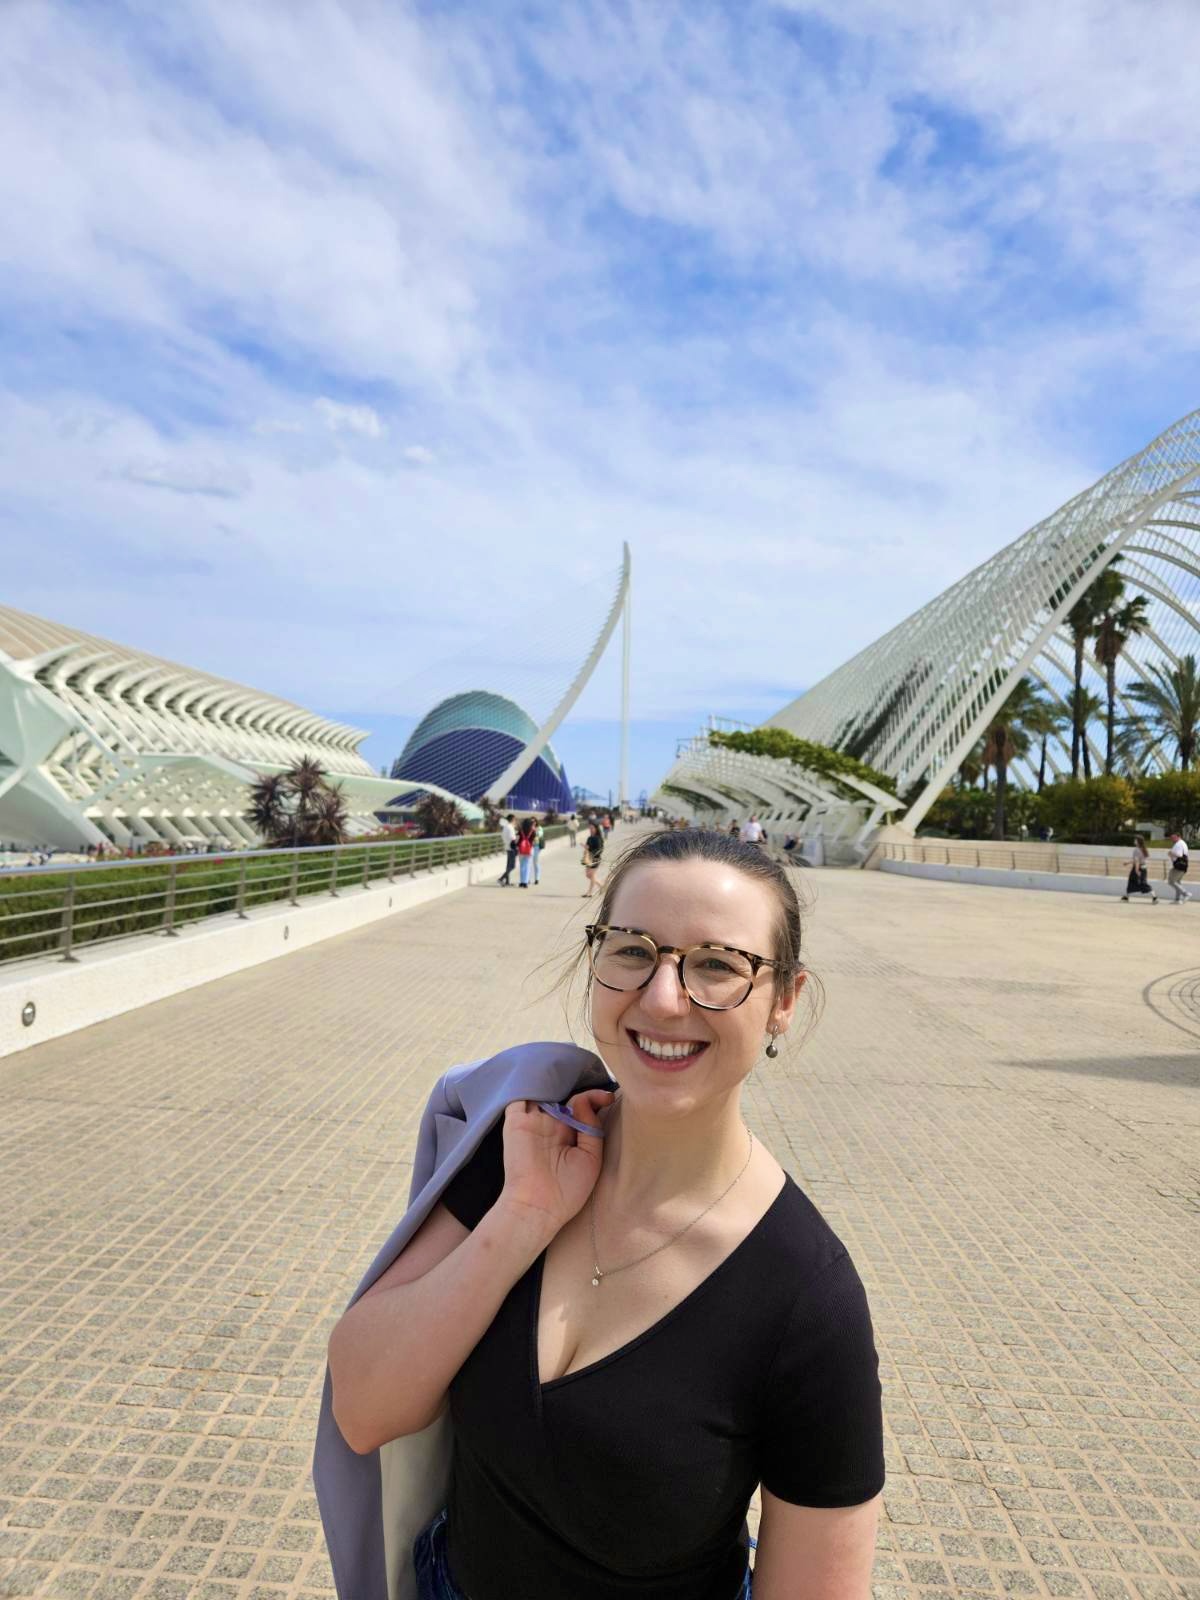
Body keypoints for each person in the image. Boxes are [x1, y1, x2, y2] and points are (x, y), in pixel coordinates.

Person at [326, 829, 884, 1600]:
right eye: (631, 950)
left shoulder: (803, 1300)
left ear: (783, 1001)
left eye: (717, 966)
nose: (661, 998)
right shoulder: (520, 1150)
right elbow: (363, 1410)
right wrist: (521, 1217)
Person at [1120, 835, 1157, 903]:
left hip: (1138, 868)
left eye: (1135, 840)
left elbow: (1137, 861)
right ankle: (1126, 896)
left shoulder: (1136, 850)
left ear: (1138, 841)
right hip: (1144, 868)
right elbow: (1139, 860)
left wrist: (1137, 870)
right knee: (1141, 882)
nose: (1134, 841)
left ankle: (1154, 897)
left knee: (1136, 882)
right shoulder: (1143, 849)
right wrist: (1128, 862)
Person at [581, 819, 604, 896]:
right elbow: (588, 847)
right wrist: (585, 847)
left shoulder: (598, 838)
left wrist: (591, 851)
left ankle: (589, 892)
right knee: (588, 875)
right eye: (590, 828)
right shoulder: (589, 838)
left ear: (596, 829)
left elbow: (600, 849)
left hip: (595, 859)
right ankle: (601, 886)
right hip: (588, 858)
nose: (590, 830)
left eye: (592, 828)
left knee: (592, 875)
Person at [1168, 832, 1191, 902]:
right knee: (1177, 882)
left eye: (1174, 837)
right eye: (1171, 837)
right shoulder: (1181, 843)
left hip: (1179, 866)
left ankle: (1186, 894)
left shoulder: (1179, 844)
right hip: (1182, 865)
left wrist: (1171, 853)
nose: (1172, 839)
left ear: (1178, 837)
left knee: (1171, 881)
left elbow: (1179, 855)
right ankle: (1177, 899)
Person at [498, 814, 517, 888]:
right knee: (512, 866)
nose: (515, 821)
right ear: (512, 819)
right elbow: (513, 839)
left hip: (507, 847)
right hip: (512, 848)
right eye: (515, 820)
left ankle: (507, 882)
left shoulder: (505, 827)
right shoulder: (510, 828)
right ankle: (501, 879)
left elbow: (503, 836)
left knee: (508, 865)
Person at [517, 818, 536, 888]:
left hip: (521, 850)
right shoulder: (533, 831)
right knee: (527, 866)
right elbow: (534, 840)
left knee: (522, 866)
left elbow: (518, 839)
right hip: (529, 849)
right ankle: (525, 882)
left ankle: (521, 882)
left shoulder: (520, 831)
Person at [533, 819, 546, 885]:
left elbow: (539, 835)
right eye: (531, 821)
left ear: (536, 822)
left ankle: (537, 879)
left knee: (536, 863)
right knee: (529, 863)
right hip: (529, 847)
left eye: (534, 821)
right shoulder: (528, 827)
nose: (533, 822)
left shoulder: (539, 828)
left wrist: (534, 830)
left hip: (536, 847)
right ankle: (527, 879)